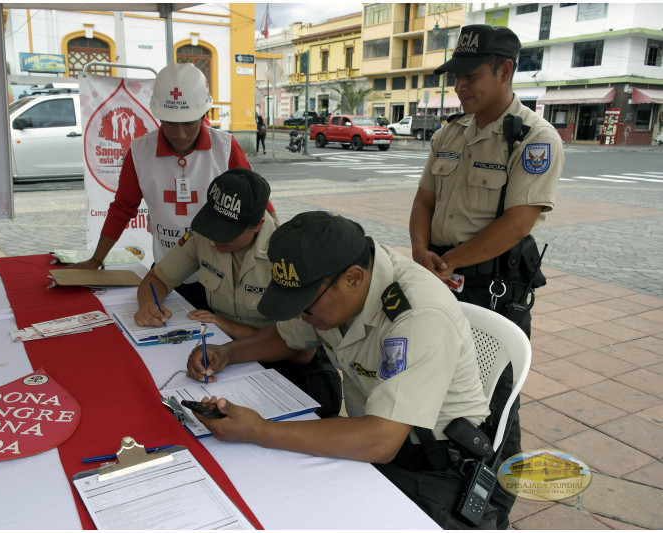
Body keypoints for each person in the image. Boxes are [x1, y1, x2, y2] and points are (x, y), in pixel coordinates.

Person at [185, 211, 494, 529]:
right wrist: (227, 353)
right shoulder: (330, 280)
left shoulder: (418, 315)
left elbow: (381, 440)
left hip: (431, 463)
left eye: (306, 304)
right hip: (369, 433)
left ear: (353, 279)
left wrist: (259, 430)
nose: (302, 315)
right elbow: (289, 336)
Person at [408, 24, 564, 529]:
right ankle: (444, 484)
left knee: (495, 407)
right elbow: (424, 199)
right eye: (455, 77)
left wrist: (448, 262)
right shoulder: (451, 131)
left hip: (491, 286)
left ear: (505, 71)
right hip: (438, 273)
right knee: (439, 385)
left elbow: (517, 223)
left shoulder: (534, 138)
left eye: (471, 76)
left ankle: (493, 511)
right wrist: (419, 251)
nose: (460, 86)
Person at [66, 62, 276, 311]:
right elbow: (123, 207)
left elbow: (259, 205)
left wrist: (279, 253)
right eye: (170, 123)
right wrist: (96, 259)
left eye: (189, 123)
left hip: (220, 276)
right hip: (167, 272)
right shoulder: (140, 151)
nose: (180, 134)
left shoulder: (226, 147)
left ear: (203, 115)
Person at [136, 171, 342, 418]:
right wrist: (148, 303)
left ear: (258, 225)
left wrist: (228, 327)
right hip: (225, 356)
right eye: (214, 226)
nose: (216, 239)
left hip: (281, 367)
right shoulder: (203, 235)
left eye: (227, 233)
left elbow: (299, 350)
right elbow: (158, 278)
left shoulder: (286, 254)